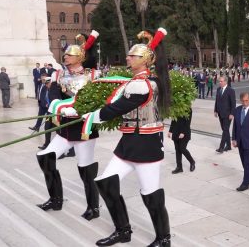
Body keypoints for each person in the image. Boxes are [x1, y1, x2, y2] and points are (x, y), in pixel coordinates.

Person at [83, 28, 172, 246]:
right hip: (129, 143)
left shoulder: (143, 84)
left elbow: (118, 107)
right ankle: (123, 230)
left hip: (146, 145)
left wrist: (92, 116)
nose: (127, 58)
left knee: (151, 196)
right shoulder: (136, 81)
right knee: (105, 183)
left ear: (143, 60)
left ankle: (164, 238)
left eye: (132, 55)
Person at [36, 30, 100, 222]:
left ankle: (93, 206)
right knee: (45, 157)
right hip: (66, 127)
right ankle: (56, 199)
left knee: (85, 169)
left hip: (84, 128)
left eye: (69, 54)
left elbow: (98, 99)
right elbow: (54, 94)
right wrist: (59, 107)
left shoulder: (93, 74)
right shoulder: (59, 73)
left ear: (80, 56)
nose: (65, 56)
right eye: (65, 54)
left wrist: (80, 109)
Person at [169, 108, 196, 174]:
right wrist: (170, 131)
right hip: (176, 131)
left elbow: (188, 122)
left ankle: (192, 161)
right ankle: (179, 167)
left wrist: (183, 132)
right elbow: (173, 120)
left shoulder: (188, 109)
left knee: (182, 148)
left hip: (184, 132)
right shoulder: (176, 108)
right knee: (177, 150)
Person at [214, 75, 236, 153]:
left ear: (225, 82)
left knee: (225, 129)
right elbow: (217, 101)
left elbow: (233, 103)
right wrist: (215, 110)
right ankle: (229, 146)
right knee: (224, 130)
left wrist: (232, 113)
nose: (219, 82)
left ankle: (221, 147)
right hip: (220, 113)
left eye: (221, 81)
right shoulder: (218, 89)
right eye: (219, 81)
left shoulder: (231, 90)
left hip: (227, 114)